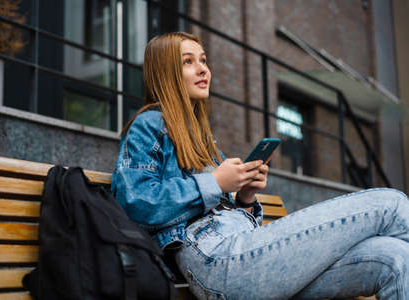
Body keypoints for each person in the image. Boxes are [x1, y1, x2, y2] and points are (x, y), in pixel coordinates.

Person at [111, 32, 409, 300]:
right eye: (189, 62)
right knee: (391, 203)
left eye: (203, 60)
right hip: (218, 261)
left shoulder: (200, 136)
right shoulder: (149, 123)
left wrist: (245, 197)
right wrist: (214, 183)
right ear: (166, 74)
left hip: (247, 256)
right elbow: (134, 202)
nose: (203, 69)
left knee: (395, 257)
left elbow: (220, 210)